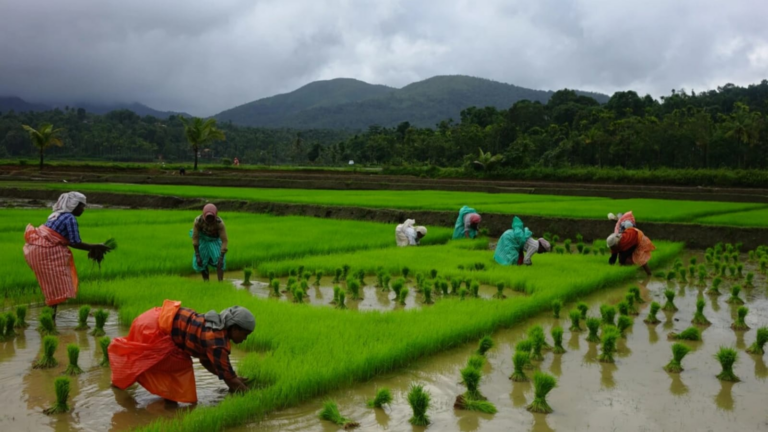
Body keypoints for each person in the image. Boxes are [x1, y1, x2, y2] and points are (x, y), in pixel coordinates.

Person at [109, 300, 254, 403]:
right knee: (177, 366)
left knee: (138, 358)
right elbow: (228, 377)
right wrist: (246, 392)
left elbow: (207, 362)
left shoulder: (216, 323)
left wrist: (232, 378)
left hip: (154, 317)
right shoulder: (217, 342)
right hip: (155, 329)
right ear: (234, 328)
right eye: (245, 334)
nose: (245, 339)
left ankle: (119, 385)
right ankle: (167, 406)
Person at [23, 192, 110, 319]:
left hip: (35, 249)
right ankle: (49, 321)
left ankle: (49, 319)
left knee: (53, 286)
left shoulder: (56, 214)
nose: (83, 209)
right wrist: (96, 247)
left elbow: (66, 240)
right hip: (45, 251)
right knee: (55, 287)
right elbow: (75, 242)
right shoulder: (70, 218)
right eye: (81, 206)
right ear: (73, 205)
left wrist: (94, 247)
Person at [191, 204, 228, 282]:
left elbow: (224, 240)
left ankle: (220, 283)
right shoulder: (198, 221)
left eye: (212, 217)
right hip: (203, 239)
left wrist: (221, 258)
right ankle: (206, 282)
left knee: (219, 262)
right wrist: (197, 255)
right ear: (204, 215)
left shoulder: (219, 223)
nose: (209, 220)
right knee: (201, 260)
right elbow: (195, 238)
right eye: (208, 217)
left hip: (214, 240)